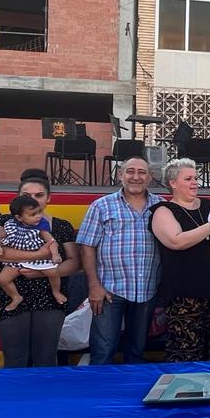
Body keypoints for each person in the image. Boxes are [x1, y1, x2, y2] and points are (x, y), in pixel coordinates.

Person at [0, 174, 81, 368]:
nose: (32, 199)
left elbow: (74, 263)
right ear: (17, 198)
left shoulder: (60, 225)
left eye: (39, 195)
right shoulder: (3, 221)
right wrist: (38, 256)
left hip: (49, 299)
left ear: (48, 198)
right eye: (26, 194)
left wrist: (39, 271)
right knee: (14, 358)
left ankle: (45, 398)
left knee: (46, 358)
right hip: (11, 296)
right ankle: (16, 398)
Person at [77, 156, 162, 365]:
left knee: (136, 351)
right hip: (109, 291)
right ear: (120, 175)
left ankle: (131, 396)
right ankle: (100, 396)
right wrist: (94, 286)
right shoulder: (101, 206)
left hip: (147, 290)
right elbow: (87, 246)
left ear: (150, 177)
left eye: (142, 172)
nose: (136, 177)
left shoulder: (161, 206)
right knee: (104, 350)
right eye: (130, 171)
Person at [149, 158, 210, 362]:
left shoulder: (208, 206)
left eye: (195, 178)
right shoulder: (163, 211)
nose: (195, 182)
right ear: (173, 183)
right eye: (188, 178)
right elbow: (176, 241)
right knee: (185, 350)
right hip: (184, 295)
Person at [0, 195, 64, 311]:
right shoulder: (10, 225)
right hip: (18, 258)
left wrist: (55, 254)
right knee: (2, 280)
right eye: (33, 214)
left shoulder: (41, 226)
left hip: (38, 257)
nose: (38, 216)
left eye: (39, 212)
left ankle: (56, 292)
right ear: (19, 217)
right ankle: (16, 297)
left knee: (53, 273)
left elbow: (52, 242)